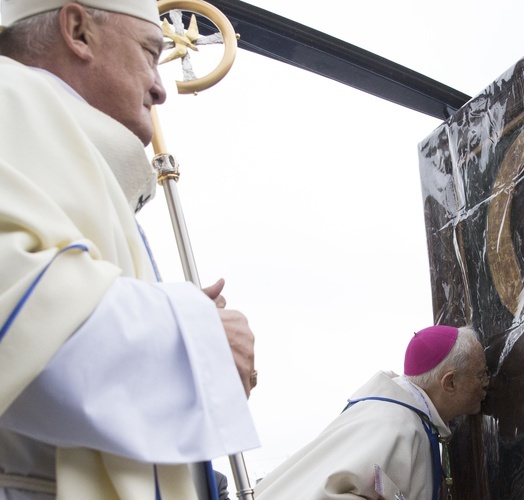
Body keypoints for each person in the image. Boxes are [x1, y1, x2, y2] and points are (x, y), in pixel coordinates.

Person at [0, 1, 259, 498]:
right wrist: (196, 336)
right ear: (78, 31)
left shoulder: (49, 129)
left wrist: (168, 314)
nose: (161, 87)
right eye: (148, 52)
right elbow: (19, 310)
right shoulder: (12, 100)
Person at [254, 325, 489, 500]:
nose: (487, 383)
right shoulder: (397, 425)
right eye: (481, 374)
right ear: (449, 383)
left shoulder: (390, 412)